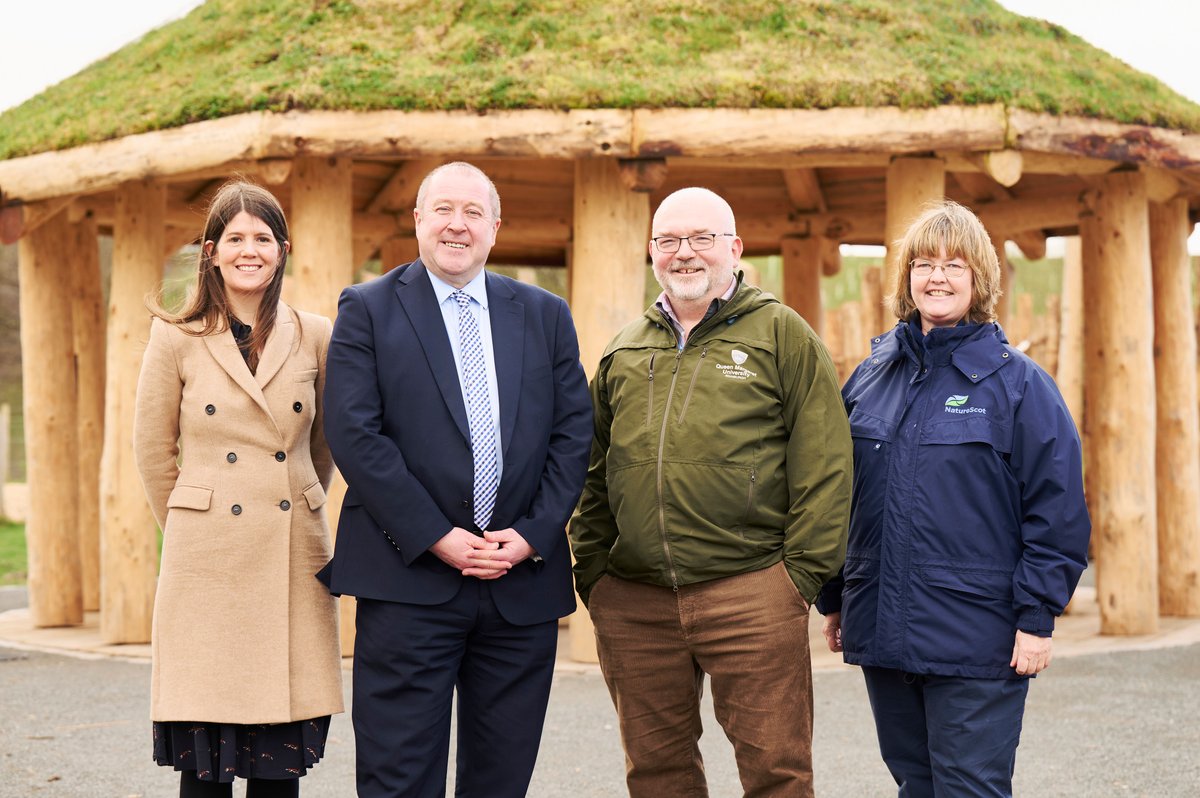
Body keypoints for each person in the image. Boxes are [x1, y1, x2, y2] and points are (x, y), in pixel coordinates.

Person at [316, 161, 593, 797]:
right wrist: (437, 534)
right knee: (398, 777)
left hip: (518, 582)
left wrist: (531, 534)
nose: (457, 225)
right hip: (408, 577)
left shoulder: (546, 314)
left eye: (473, 213)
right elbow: (357, 435)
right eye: (443, 210)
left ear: (495, 228)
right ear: (418, 221)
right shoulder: (368, 308)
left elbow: (574, 433)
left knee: (501, 779)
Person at [569, 187, 853, 797]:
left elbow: (826, 466)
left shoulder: (782, 335)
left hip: (752, 593)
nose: (685, 253)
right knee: (657, 775)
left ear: (734, 248)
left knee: (777, 773)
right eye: (669, 241)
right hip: (637, 604)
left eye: (701, 238)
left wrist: (795, 580)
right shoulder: (624, 349)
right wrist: (594, 575)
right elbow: (593, 474)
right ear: (652, 252)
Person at [817, 201, 1091, 797]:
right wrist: (835, 595)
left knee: (969, 788)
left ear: (980, 279)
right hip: (885, 631)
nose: (936, 277)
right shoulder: (868, 378)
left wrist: (1037, 616)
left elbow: (1058, 508)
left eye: (954, 264)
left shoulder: (1019, 386)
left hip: (977, 636)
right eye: (923, 263)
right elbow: (839, 498)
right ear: (906, 277)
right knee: (915, 784)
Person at [134, 181, 343, 798]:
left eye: (262, 238)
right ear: (211, 251)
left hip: (290, 556)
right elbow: (152, 452)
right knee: (206, 770)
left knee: (277, 767)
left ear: (282, 250)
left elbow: (324, 446)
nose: (248, 250)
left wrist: (292, 498)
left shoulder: (316, 334)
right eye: (235, 239)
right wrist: (196, 527)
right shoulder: (175, 335)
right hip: (207, 564)